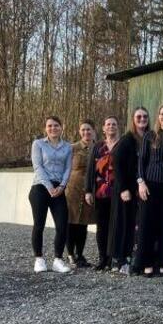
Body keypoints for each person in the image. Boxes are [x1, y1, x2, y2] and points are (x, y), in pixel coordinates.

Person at [134, 104, 163, 277]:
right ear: (158, 116)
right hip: (150, 186)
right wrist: (141, 182)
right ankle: (147, 262)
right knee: (147, 224)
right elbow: (141, 162)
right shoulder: (150, 136)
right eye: (162, 114)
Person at [28, 116, 73, 274]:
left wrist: (62, 186)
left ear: (61, 127)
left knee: (62, 225)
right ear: (45, 128)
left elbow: (68, 168)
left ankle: (58, 260)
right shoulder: (38, 144)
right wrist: (49, 187)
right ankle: (39, 259)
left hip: (59, 188)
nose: (53, 128)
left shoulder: (68, 147)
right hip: (40, 187)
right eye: (50, 126)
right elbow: (37, 167)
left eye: (56, 125)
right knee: (39, 225)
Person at [108, 107, 149, 275]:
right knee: (122, 223)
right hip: (125, 189)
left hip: (139, 187)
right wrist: (123, 188)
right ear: (133, 119)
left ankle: (130, 257)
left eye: (145, 116)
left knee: (134, 224)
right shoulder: (127, 139)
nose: (142, 119)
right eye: (138, 116)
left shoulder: (148, 138)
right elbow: (117, 164)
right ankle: (119, 259)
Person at [85, 116, 119, 271]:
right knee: (102, 227)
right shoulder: (97, 147)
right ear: (104, 128)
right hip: (100, 193)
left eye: (114, 124)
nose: (111, 126)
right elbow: (90, 170)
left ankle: (112, 257)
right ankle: (102, 258)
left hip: (117, 193)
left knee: (115, 226)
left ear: (118, 127)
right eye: (108, 124)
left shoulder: (122, 145)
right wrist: (88, 191)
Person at [65, 120, 96, 268]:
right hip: (73, 190)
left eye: (88, 129)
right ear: (79, 131)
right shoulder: (72, 148)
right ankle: (70, 254)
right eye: (83, 129)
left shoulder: (98, 148)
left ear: (94, 131)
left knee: (83, 223)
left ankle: (80, 254)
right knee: (71, 222)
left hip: (89, 190)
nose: (86, 132)